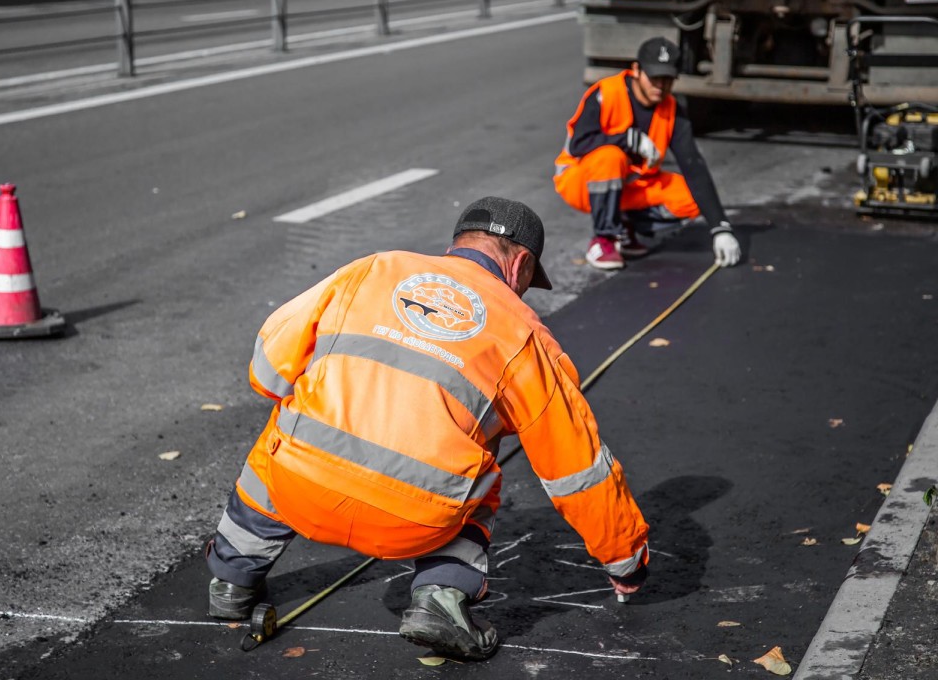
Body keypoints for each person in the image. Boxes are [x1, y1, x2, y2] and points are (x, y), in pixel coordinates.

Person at [205, 196, 650, 661]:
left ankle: (232, 582)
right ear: (520, 265)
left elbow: (267, 372)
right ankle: (440, 598)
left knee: (284, 435)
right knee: (483, 482)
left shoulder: (373, 269)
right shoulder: (526, 335)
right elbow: (577, 470)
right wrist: (625, 560)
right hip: (415, 522)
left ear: (458, 243)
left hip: (300, 494)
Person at [553, 36, 742, 270]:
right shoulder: (606, 94)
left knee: (692, 198)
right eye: (654, 78)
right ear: (636, 70)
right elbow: (578, 144)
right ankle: (604, 239)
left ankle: (625, 227)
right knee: (610, 157)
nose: (660, 86)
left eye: (667, 79)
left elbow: (693, 165)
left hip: (630, 186)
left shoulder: (672, 110)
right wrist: (628, 140)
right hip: (580, 182)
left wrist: (720, 227)